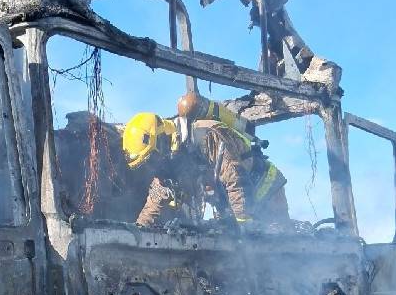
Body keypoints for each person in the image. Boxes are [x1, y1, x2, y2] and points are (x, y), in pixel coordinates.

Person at [120, 95, 290, 228]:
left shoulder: (206, 135)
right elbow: (155, 199)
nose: (153, 166)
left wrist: (244, 224)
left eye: (151, 158)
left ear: (161, 139)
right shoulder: (172, 158)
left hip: (265, 189)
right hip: (239, 204)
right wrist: (139, 230)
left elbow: (235, 177)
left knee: (280, 246)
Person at [178, 92, 290, 226]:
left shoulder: (212, 136)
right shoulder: (196, 151)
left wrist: (243, 221)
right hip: (249, 195)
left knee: (280, 232)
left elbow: (235, 177)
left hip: (267, 185)